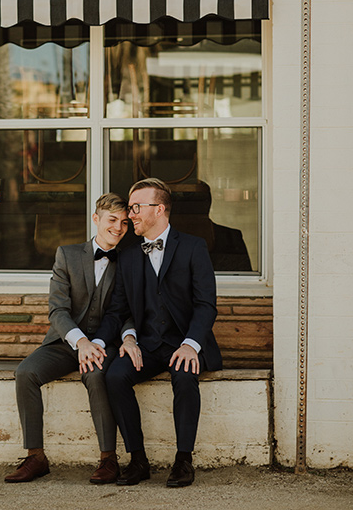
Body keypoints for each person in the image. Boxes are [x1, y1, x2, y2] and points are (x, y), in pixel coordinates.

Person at [88, 178, 222, 488]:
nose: (130, 214)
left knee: (186, 375)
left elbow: (206, 305)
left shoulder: (193, 247)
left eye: (136, 208)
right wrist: (121, 338)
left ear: (159, 209)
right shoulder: (129, 254)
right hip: (146, 344)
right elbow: (119, 310)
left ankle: (183, 460)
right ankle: (138, 460)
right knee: (115, 375)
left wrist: (191, 345)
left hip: (184, 342)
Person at [4, 192, 129, 485]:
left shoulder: (129, 260)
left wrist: (100, 343)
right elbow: (57, 309)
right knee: (26, 373)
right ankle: (36, 456)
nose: (119, 228)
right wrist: (80, 341)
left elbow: (125, 311)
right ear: (96, 219)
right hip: (65, 342)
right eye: (112, 220)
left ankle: (108, 459)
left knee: (97, 376)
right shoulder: (67, 254)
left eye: (124, 222)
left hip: (104, 344)